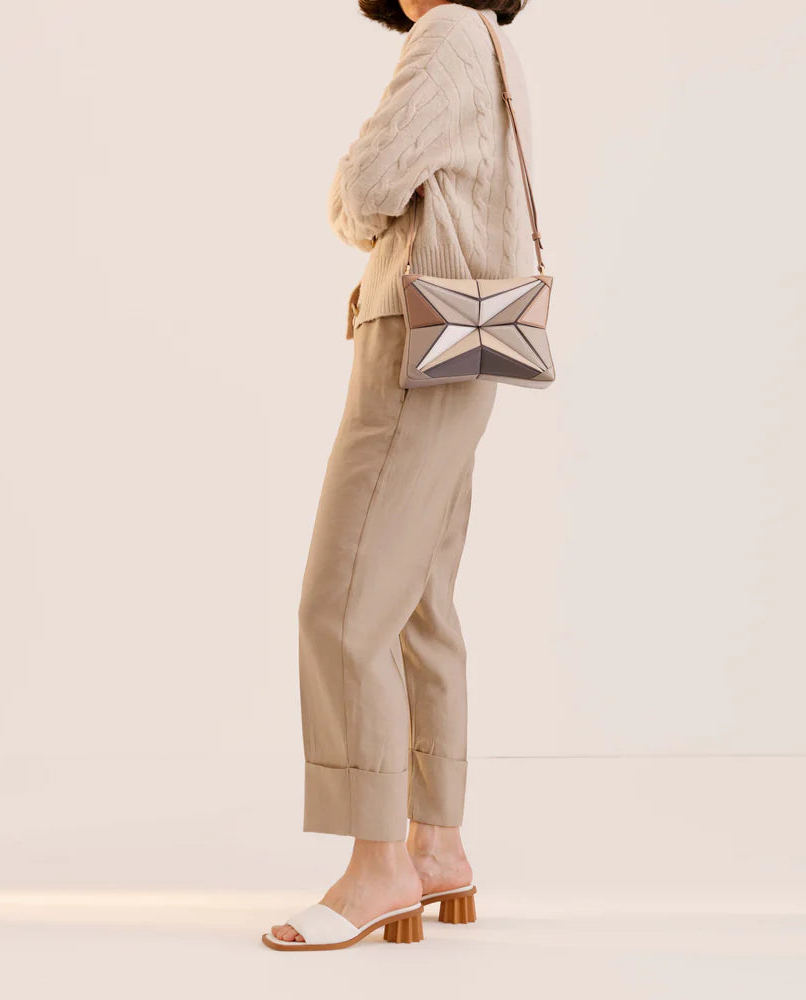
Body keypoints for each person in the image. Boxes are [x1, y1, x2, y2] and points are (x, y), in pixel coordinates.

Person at [264, 0, 537, 951]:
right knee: (420, 601)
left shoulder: (448, 31)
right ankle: (437, 846)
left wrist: (345, 196)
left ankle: (378, 867)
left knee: (341, 606)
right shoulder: (489, 41)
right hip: (471, 341)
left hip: (416, 340)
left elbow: (368, 184)